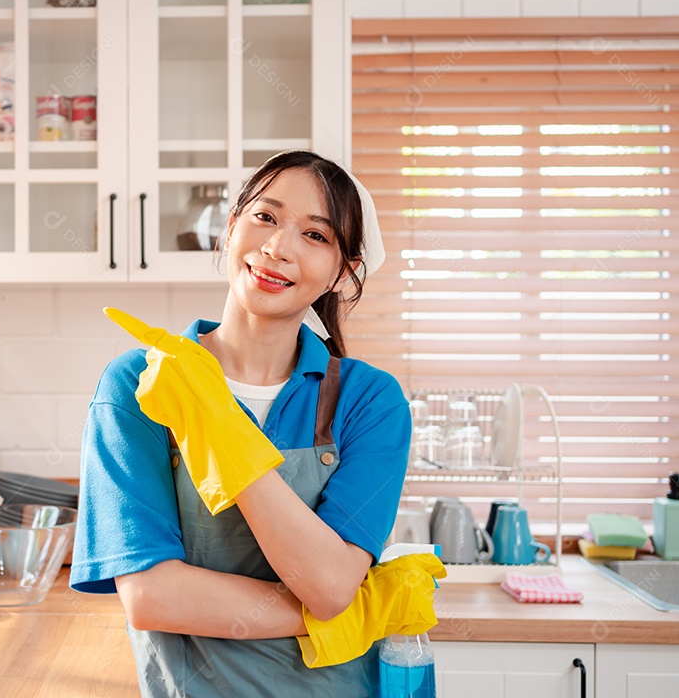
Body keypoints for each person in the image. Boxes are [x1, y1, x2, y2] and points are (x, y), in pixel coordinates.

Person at [70, 151, 420, 697]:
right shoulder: (142, 385)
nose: (277, 248)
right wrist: (333, 608)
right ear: (230, 228)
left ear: (342, 272)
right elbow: (151, 597)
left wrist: (222, 433)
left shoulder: (369, 401)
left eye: (316, 236)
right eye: (265, 217)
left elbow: (327, 584)